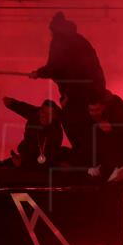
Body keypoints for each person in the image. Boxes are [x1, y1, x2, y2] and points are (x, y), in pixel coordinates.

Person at [30, 12, 106, 166]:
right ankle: (94, 160)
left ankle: (85, 160)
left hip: (77, 93)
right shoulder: (80, 41)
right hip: (94, 91)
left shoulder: (60, 41)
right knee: (88, 127)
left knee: (73, 123)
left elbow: (56, 67)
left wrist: (39, 73)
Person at [0, 98, 64, 169]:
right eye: (42, 111)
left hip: (33, 168)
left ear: (54, 117)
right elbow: (25, 109)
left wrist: (23, 164)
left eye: (47, 114)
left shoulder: (55, 134)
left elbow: (47, 164)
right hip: (23, 158)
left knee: (1, 171)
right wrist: (12, 103)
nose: (42, 115)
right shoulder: (37, 115)